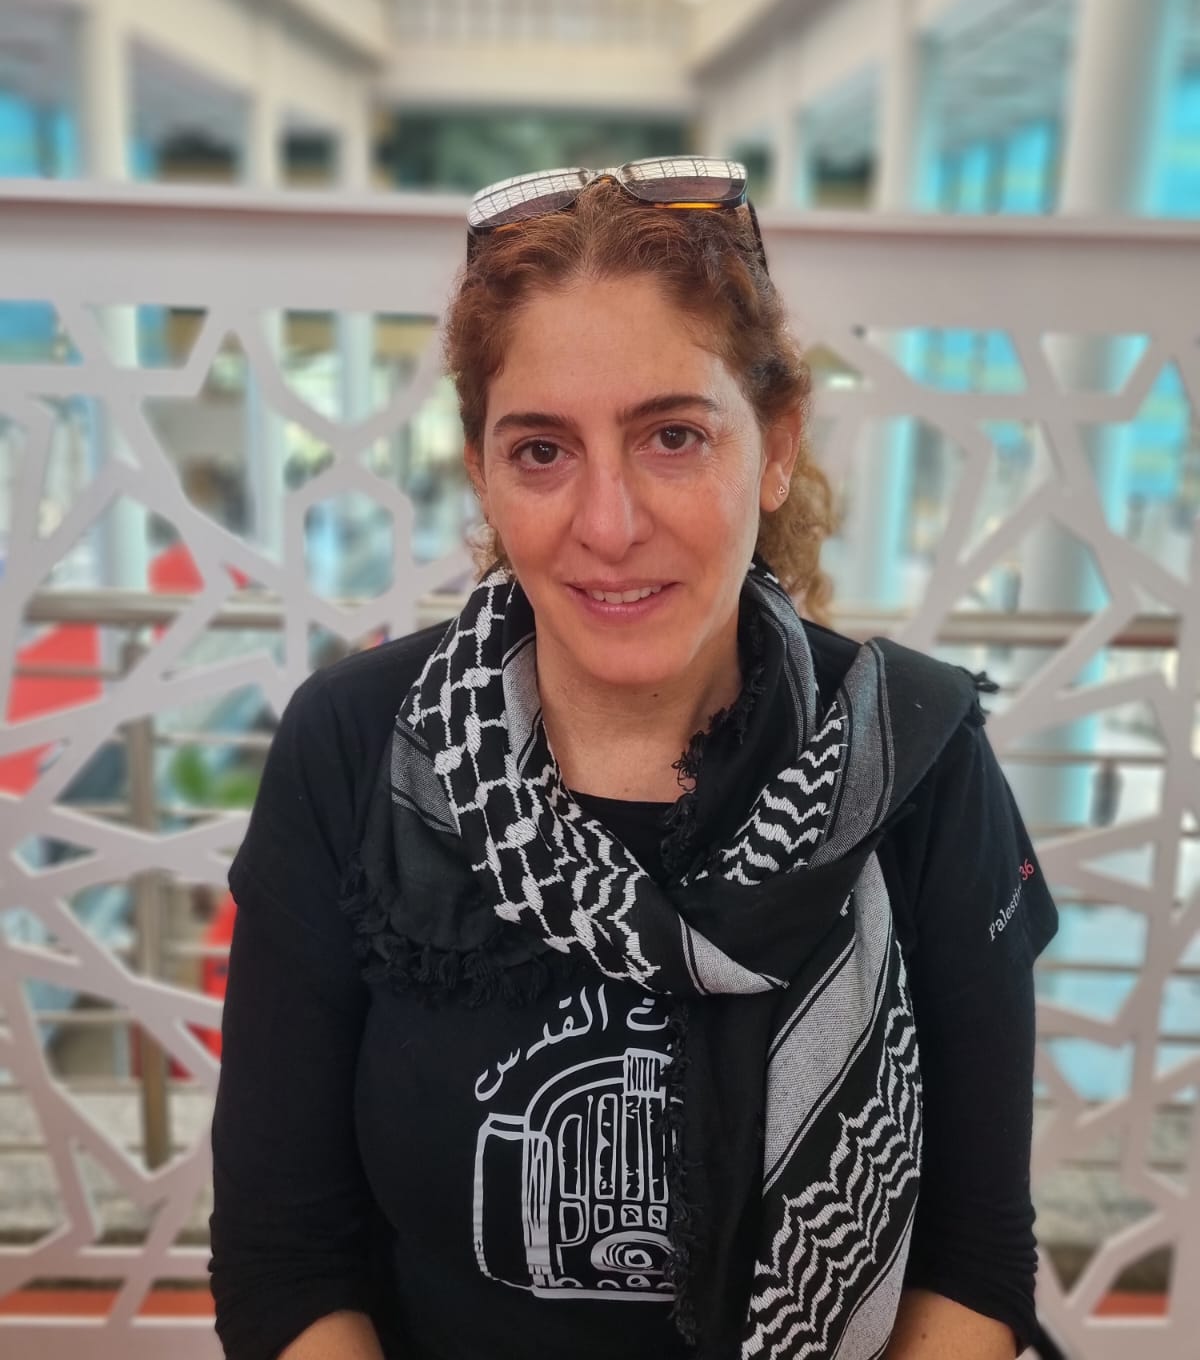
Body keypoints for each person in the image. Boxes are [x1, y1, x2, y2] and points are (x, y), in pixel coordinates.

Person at [208, 157, 1059, 1360]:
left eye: (672, 436)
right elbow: (285, 1257)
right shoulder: (356, 746)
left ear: (775, 446)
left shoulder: (915, 758)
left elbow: (975, 1261)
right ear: (482, 473)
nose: (608, 524)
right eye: (541, 451)